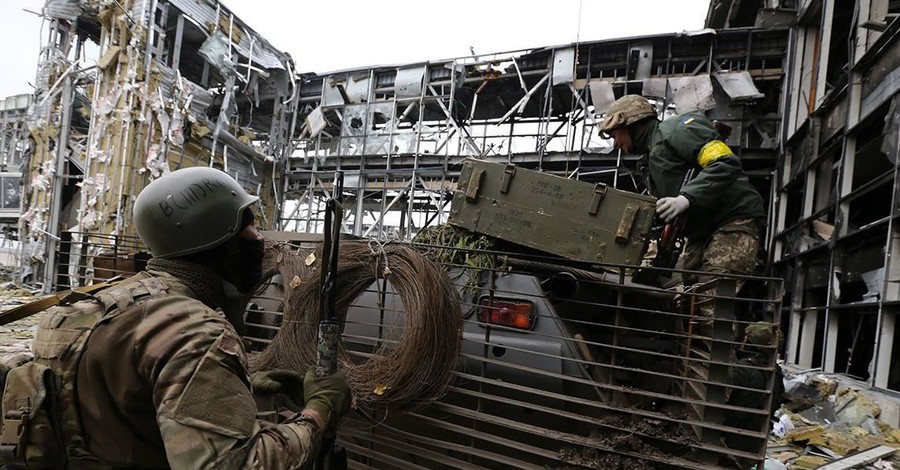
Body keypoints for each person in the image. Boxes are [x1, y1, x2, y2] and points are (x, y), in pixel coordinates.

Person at [33, 167, 351, 468]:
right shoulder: (195, 332)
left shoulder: (88, 305)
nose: (259, 238)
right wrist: (318, 412)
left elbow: (118, 397)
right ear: (218, 238)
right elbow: (242, 464)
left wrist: (242, 383)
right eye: (249, 225)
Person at [599, 95, 766, 290]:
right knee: (680, 299)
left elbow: (725, 162)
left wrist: (686, 198)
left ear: (631, 123)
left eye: (614, 135)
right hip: (702, 233)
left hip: (733, 220)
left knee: (710, 301)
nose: (615, 144)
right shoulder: (652, 158)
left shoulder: (677, 130)